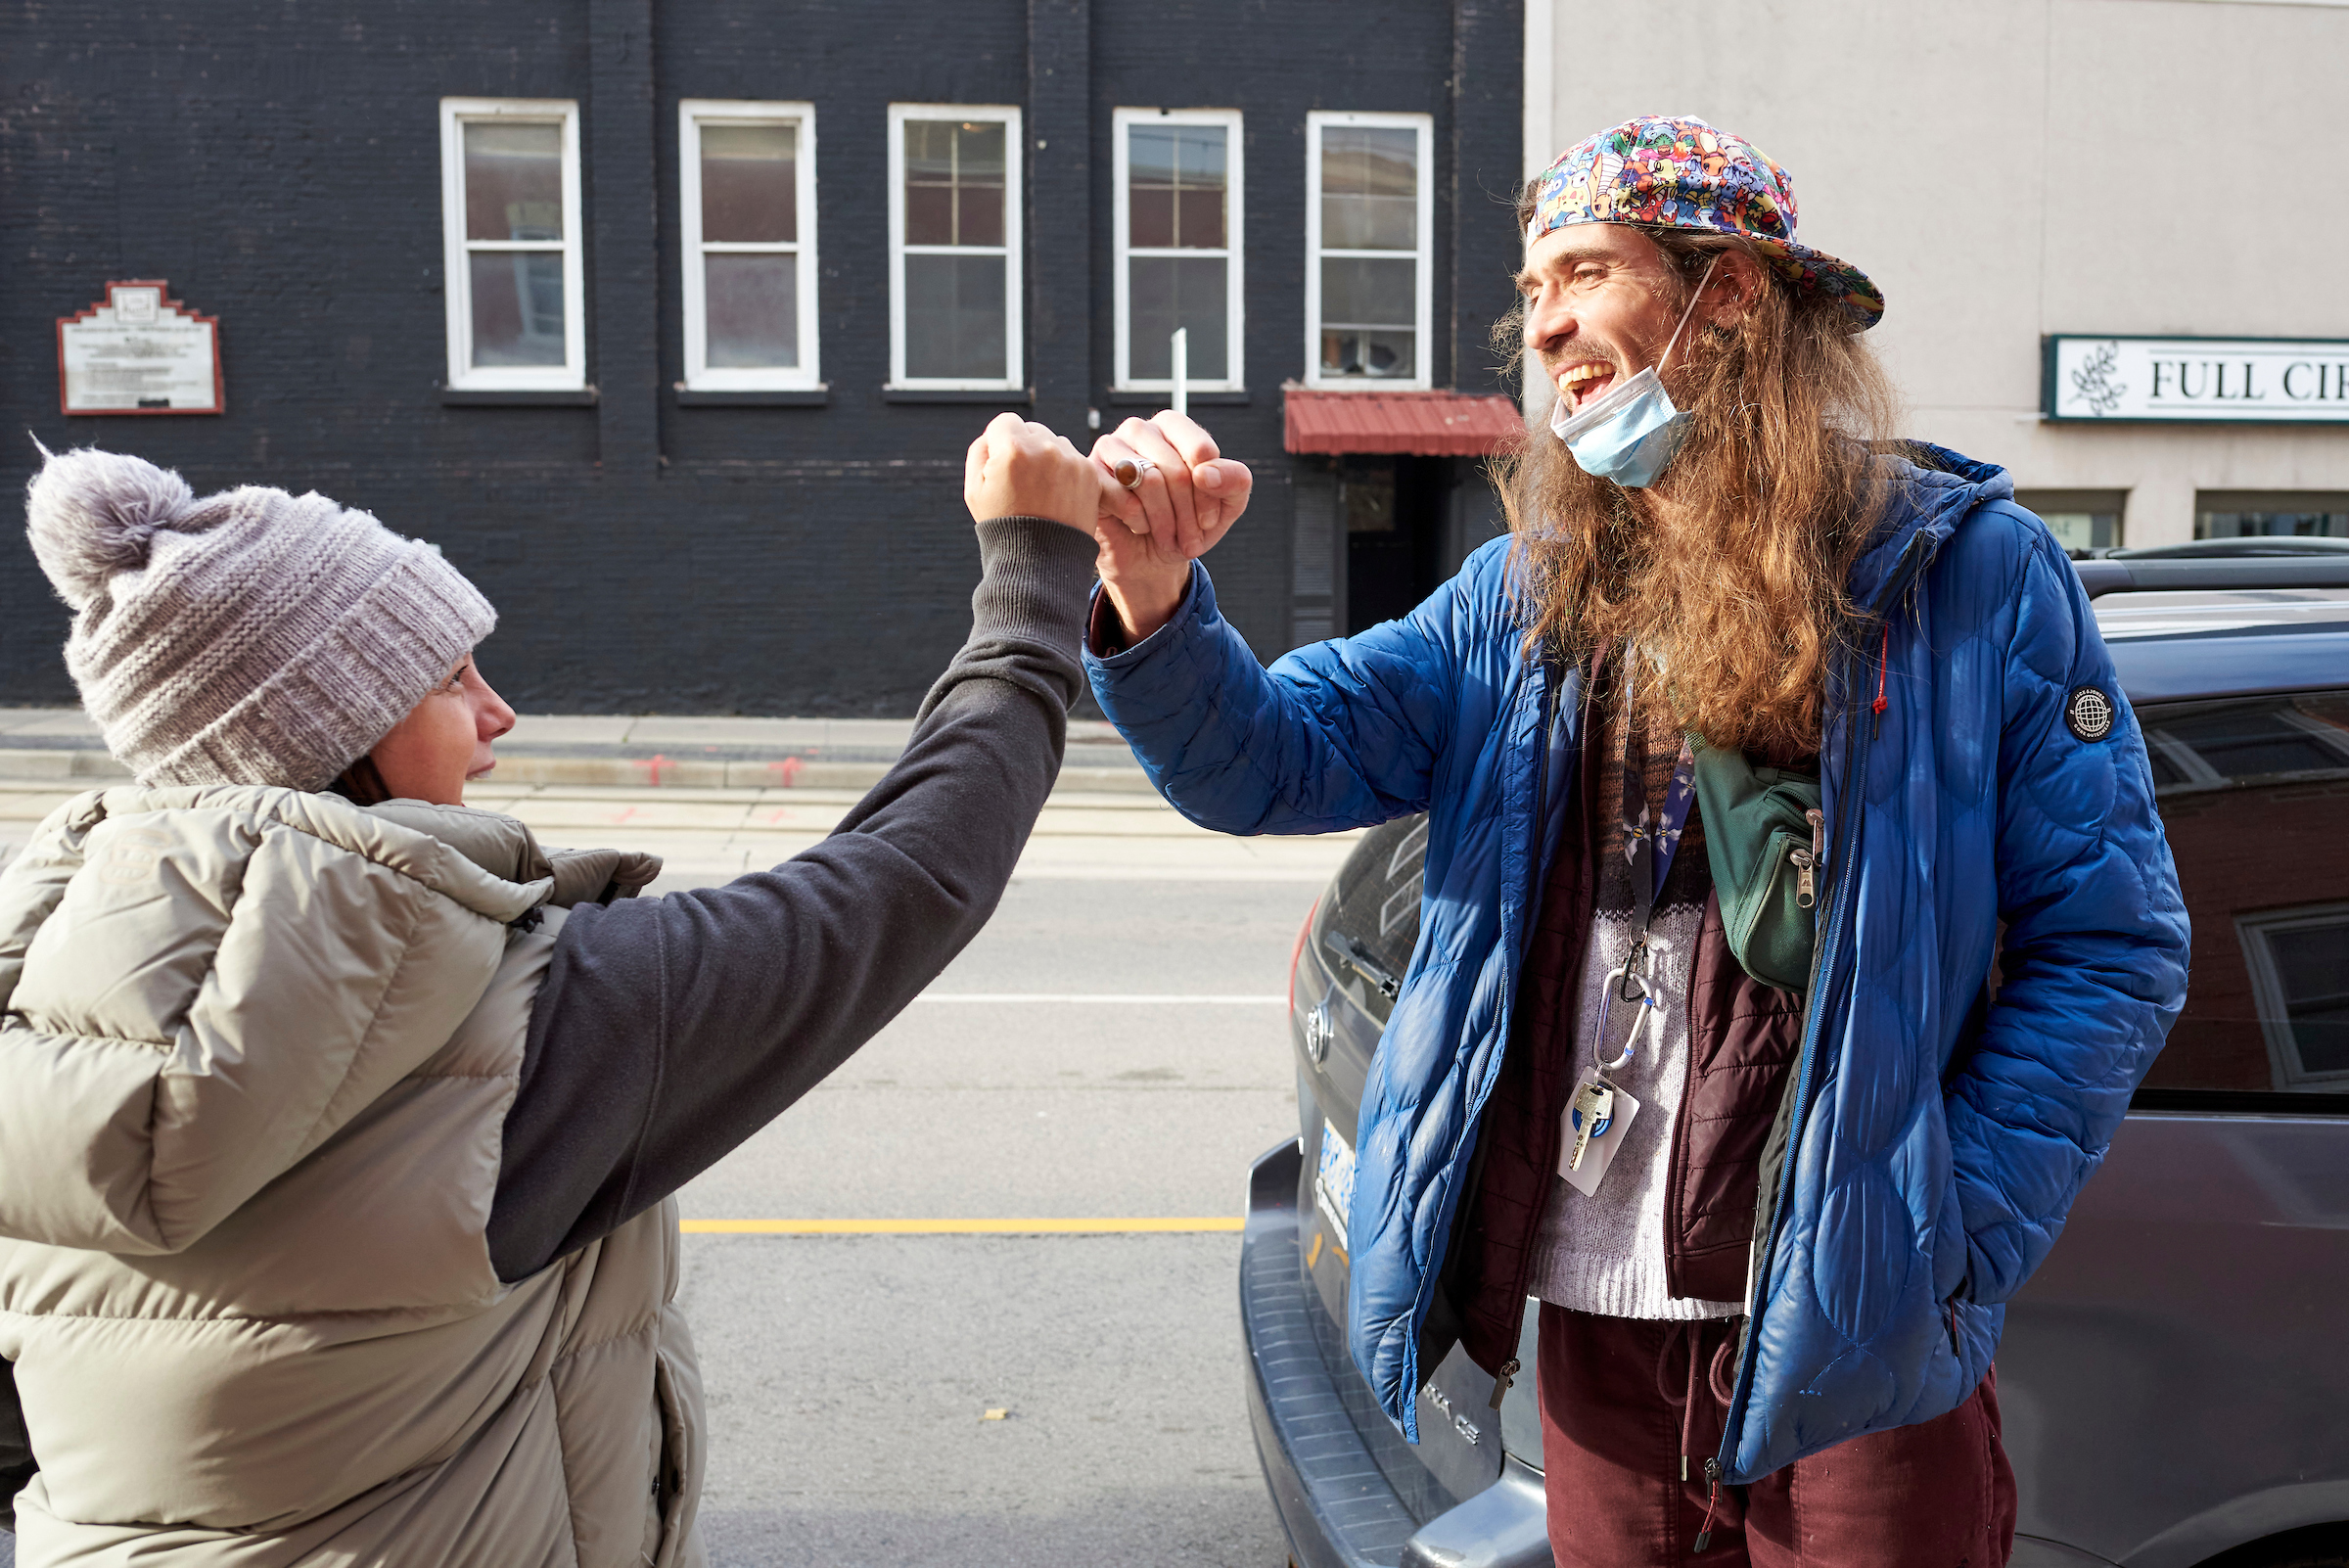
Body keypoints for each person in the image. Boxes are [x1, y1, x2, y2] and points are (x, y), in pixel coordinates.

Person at [1081, 115, 2188, 1566]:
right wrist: (1156, 599)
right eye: (1529, 293)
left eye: (1583, 273)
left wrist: (1945, 1230)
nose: (1541, 328)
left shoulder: (1964, 575)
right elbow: (1277, 757)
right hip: (1597, 1347)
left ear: (1727, 298)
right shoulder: (1523, 599)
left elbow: (2110, 945)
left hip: (1855, 1347)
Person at [0, 412, 1122, 1565]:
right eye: (449, 679)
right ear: (333, 733)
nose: (498, 717)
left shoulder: (36, 1007)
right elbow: (903, 883)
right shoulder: (525, 1027)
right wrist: (1031, 578)